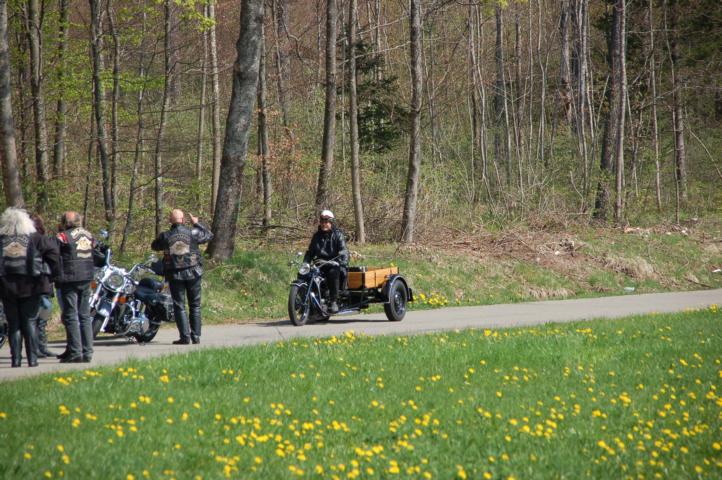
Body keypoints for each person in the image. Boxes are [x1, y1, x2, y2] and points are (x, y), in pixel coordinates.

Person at [0, 208, 60, 367]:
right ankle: (32, 360)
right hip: (32, 285)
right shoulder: (36, 238)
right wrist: (53, 275)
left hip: (6, 286)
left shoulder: (2, 239)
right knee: (30, 322)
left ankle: (16, 360)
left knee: (14, 324)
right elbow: (54, 254)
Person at [151, 209, 213, 345]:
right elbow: (209, 235)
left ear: (170, 221)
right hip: (194, 273)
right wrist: (197, 223)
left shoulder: (165, 236)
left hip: (175, 274)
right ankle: (196, 336)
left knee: (179, 306)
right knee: (195, 305)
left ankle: (185, 337)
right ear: (183, 220)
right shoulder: (193, 232)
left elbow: (154, 246)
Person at [55, 211, 96, 363]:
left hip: (70, 278)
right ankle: (87, 352)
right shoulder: (89, 235)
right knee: (84, 315)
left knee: (71, 315)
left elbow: (54, 253)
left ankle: (75, 352)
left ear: (65, 222)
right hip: (86, 277)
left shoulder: (63, 236)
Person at [303, 210, 349, 314]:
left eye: (326, 222)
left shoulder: (338, 235)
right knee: (305, 274)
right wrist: (306, 262)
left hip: (334, 264)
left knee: (333, 272)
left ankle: (333, 301)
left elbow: (344, 251)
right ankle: (304, 300)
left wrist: (343, 261)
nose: (324, 224)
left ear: (331, 222)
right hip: (320, 264)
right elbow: (310, 251)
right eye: (322, 221)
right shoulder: (316, 236)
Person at [29, 213, 56, 358]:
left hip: (43, 281)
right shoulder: (29, 240)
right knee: (36, 316)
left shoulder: (43, 240)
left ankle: (41, 346)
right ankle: (36, 348)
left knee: (42, 316)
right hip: (36, 282)